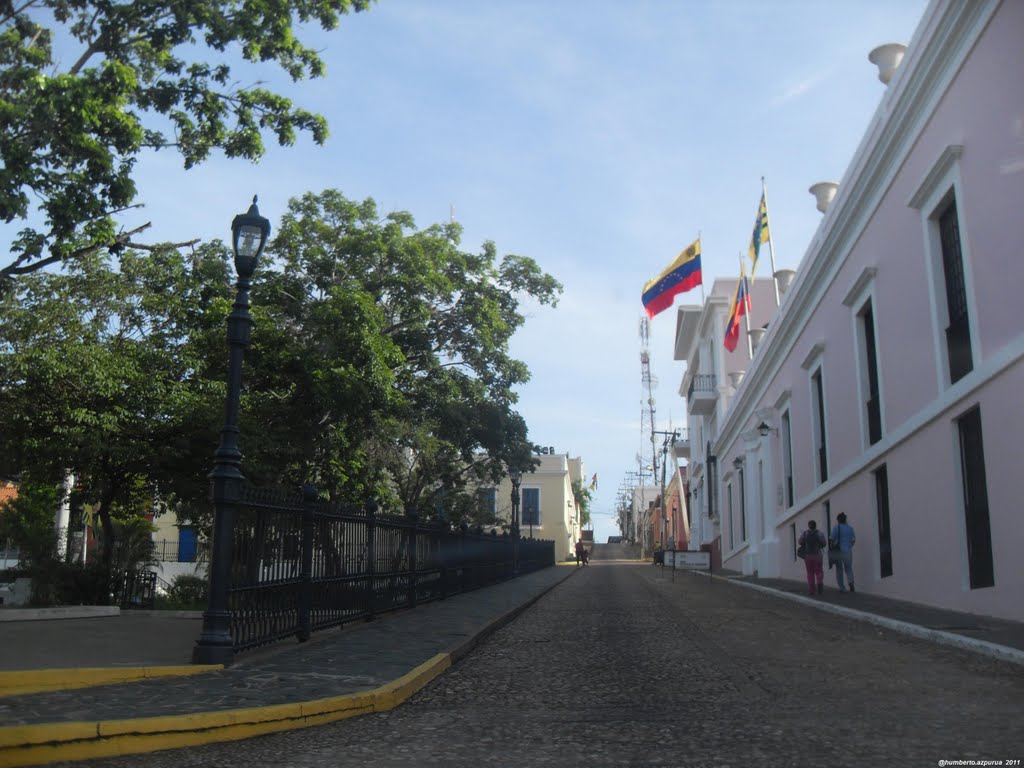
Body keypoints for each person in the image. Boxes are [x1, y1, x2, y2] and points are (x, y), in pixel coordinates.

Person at [830, 512, 857, 592]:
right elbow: (853, 540)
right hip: (848, 551)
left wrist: (832, 548)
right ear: (845, 519)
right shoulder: (850, 528)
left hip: (838, 551)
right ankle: (851, 582)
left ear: (838, 520)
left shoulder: (836, 528)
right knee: (848, 568)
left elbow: (831, 539)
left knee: (839, 569)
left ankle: (842, 587)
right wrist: (849, 546)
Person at [799, 520, 826, 595]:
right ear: (815, 525)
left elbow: (800, 542)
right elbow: (824, 543)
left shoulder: (805, 533)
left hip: (808, 556)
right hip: (817, 555)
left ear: (809, 525)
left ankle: (811, 590)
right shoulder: (820, 533)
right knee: (819, 571)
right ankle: (820, 584)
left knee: (810, 573)